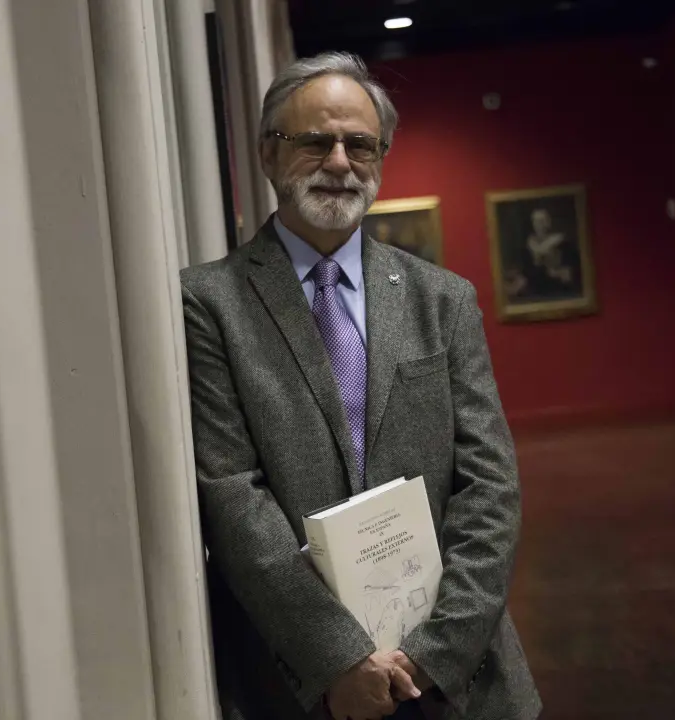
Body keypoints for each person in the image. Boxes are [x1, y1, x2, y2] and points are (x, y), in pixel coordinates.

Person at [180, 52, 541, 720]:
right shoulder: (209, 304)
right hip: (301, 682)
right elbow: (232, 497)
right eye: (315, 141)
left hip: (457, 681)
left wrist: (434, 653)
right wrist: (338, 659)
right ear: (268, 154)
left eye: (360, 144)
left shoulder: (443, 299)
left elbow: (490, 487)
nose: (340, 162)